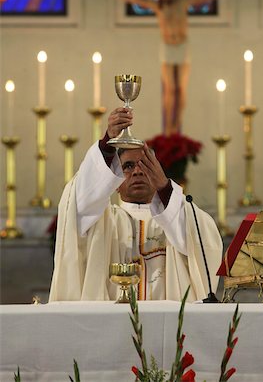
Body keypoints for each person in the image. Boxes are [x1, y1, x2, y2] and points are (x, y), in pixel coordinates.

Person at [49, 107, 223, 302]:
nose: (138, 172)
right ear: (112, 180)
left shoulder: (177, 215)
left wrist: (165, 187)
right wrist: (107, 142)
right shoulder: (102, 220)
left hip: (170, 326)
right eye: (128, 166)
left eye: (145, 165)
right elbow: (78, 200)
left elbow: (200, 240)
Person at [92, 0, 254, 136]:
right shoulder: (158, 5)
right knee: (169, 89)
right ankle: (169, 127)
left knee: (181, 89)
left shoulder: (182, 2)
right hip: (167, 47)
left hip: (182, 47)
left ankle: (177, 125)